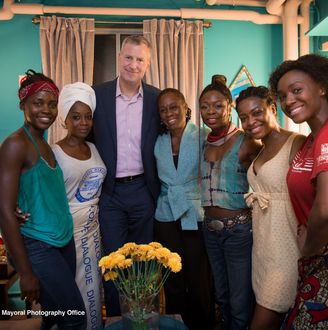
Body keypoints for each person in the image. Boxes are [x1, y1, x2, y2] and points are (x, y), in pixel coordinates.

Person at [0, 70, 86, 329]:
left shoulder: (44, 143)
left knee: (52, 317)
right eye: (38, 103)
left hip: (62, 242)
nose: (46, 110)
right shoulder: (16, 144)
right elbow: (4, 210)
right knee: (75, 318)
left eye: (51, 104)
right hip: (39, 246)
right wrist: (25, 273)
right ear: (23, 104)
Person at [92, 35, 160, 316]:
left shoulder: (158, 98)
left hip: (145, 191)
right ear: (120, 58)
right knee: (113, 263)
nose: (133, 64)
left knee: (147, 261)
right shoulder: (97, 95)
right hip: (110, 194)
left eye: (140, 59)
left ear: (148, 63)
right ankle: (118, 319)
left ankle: (147, 318)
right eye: (129, 57)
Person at [235, 86, 305, 330]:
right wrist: (248, 134)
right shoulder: (259, 149)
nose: (250, 121)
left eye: (257, 112)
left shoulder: (297, 143)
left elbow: (312, 197)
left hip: (287, 250)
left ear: (273, 109)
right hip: (263, 248)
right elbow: (243, 154)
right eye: (243, 117)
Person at [269, 54, 328, 329]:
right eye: (282, 96)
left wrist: (308, 247)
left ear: (321, 87)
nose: (288, 101)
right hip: (313, 260)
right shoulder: (310, 140)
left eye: (296, 90)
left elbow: (326, 208)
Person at [199, 74, 261, 330]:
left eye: (217, 106)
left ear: (229, 107)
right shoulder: (201, 142)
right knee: (221, 295)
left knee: (239, 300)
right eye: (204, 106)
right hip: (209, 229)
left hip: (238, 231)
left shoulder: (248, 142)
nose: (210, 112)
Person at [154, 88, 214, 329]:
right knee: (172, 278)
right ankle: (175, 324)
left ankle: (203, 325)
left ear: (185, 108)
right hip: (166, 214)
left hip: (194, 213)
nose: (169, 113)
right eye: (163, 109)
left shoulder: (203, 135)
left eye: (174, 106)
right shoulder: (157, 141)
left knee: (198, 277)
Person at [53, 82, 107, 330]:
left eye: (87, 117)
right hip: (67, 236)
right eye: (75, 117)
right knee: (72, 291)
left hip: (93, 232)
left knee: (94, 288)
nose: (83, 122)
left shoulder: (95, 148)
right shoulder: (53, 153)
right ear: (64, 119)